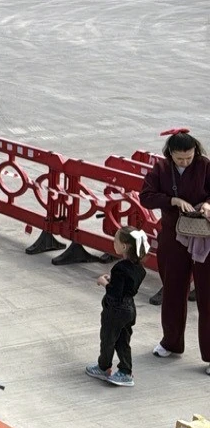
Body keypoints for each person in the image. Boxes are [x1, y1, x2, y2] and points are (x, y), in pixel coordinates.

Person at [140, 129, 210, 372]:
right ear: (170, 153)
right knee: (173, 289)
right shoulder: (160, 169)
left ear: (195, 152)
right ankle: (171, 342)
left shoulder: (205, 166)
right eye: (180, 158)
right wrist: (172, 200)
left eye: (189, 157)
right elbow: (146, 197)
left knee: (208, 295)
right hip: (173, 234)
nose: (185, 162)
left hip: (205, 236)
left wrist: (208, 205)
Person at [86, 226, 150, 387]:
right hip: (130, 309)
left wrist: (104, 282)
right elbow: (126, 288)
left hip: (116, 310)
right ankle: (125, 371)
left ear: (125, 246)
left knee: (108, 339)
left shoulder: (120, 267)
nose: (113, 242)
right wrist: (113, 281)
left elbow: (114, 294)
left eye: (116, 240)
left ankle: (103, 367)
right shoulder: (140, 268)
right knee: (123, 340)